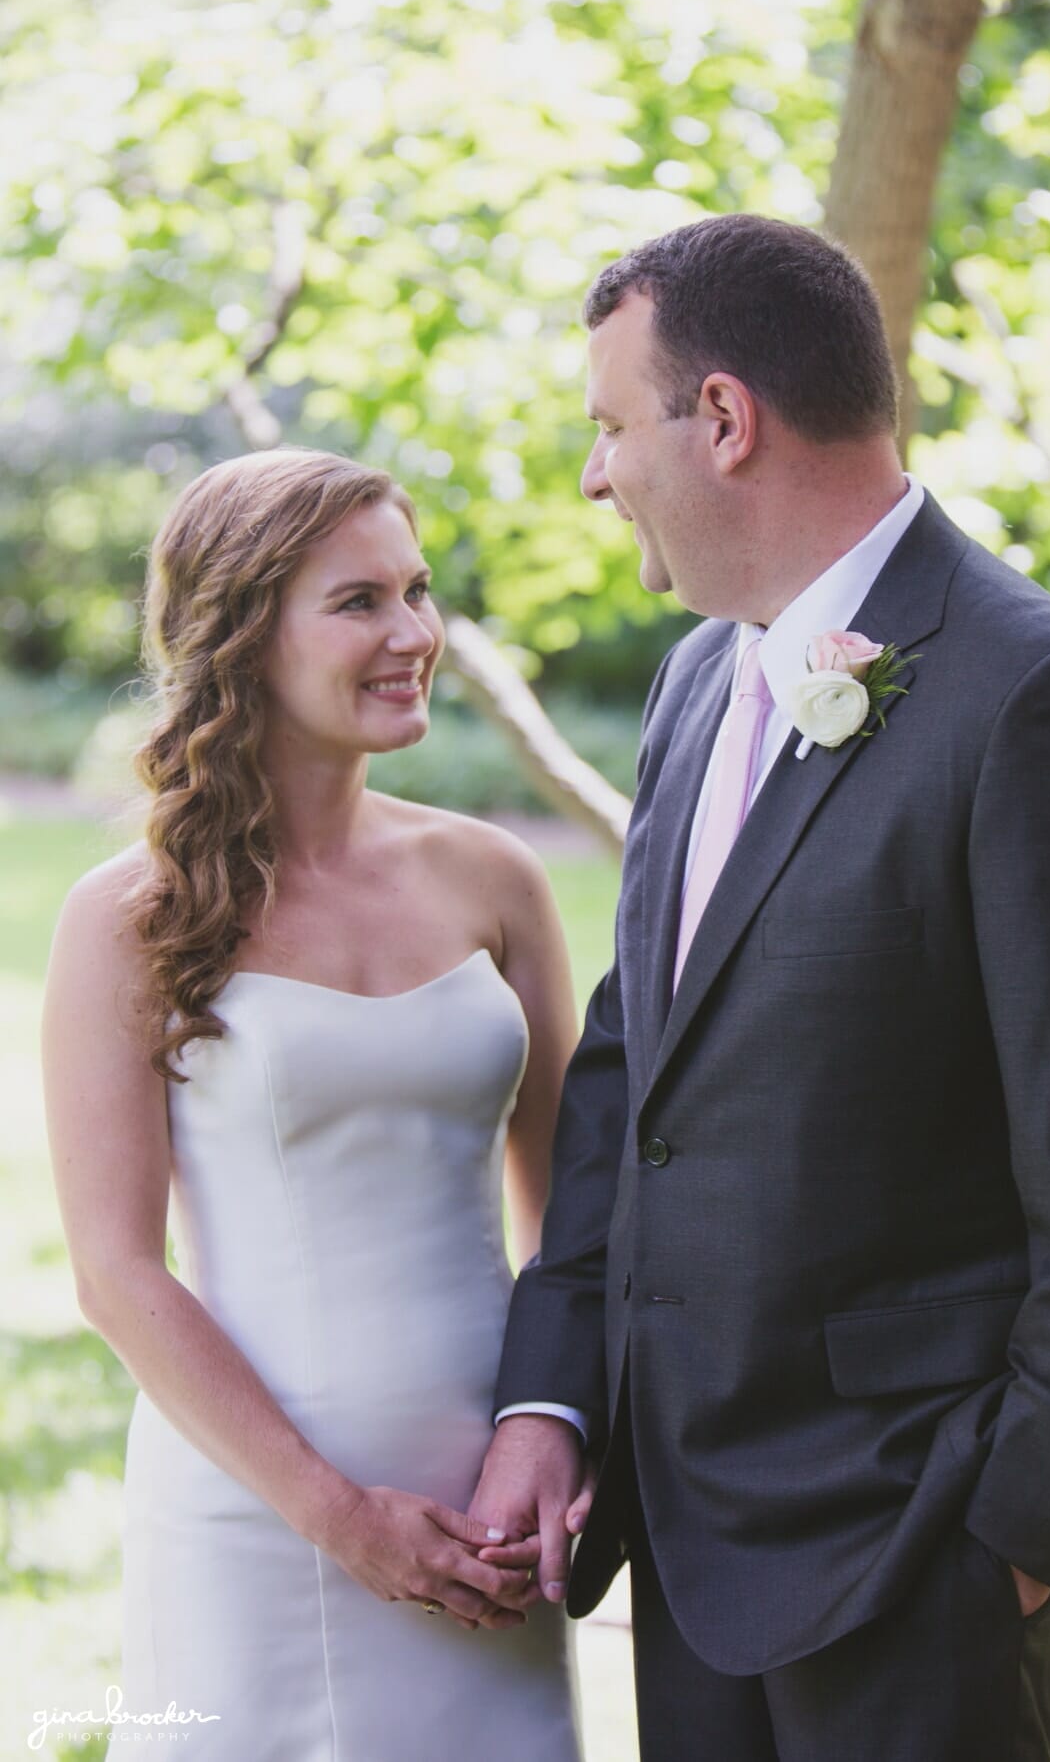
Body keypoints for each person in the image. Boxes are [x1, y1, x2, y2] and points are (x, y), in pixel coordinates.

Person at [470, 214, 1050, 1762]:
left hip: (918, 1553)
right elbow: (635, 1079)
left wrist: (1015, 1534)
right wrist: (548, 1404)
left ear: (726, 419)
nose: (594, 472)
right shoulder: (701, 680)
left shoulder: (1038, 696)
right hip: (683, 1542)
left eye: (610, 427)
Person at [42, 449, 582, 1760]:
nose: (414, 635)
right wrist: (337, 1512)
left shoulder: (494, 879)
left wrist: (551, 1433)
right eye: (359, 602)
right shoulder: (129, 919)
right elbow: (116, 1272)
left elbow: (578, 1217)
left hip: (489, 1515)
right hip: (258, 1513)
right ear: (242, 631)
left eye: (419, 591)